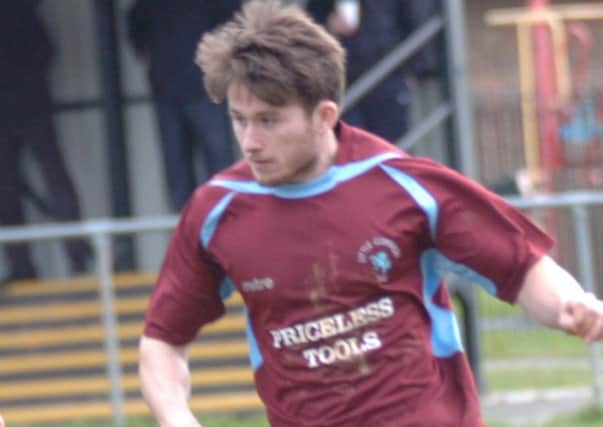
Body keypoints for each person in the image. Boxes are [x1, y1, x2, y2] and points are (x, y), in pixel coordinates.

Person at [138, 1, 603, 426]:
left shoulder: (405, 185)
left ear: (324, 116)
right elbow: (161, 342)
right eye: (240, 120)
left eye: (269, 121)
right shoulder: (217, 211)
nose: (250, 141)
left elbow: (522, 266)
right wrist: (178, 419)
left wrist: (569, 305)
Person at [0, 0, 91, 286]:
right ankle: (77, 255)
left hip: (10, 109)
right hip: (33, 103)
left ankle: (22, 265)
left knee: (8, 189)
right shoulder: (24, 14)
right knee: (53, 176)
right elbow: (47, 53)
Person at [127, 0, 241, 211]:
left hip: (198, 87)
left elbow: (238, 19)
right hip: (172, 88)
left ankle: (222, 229)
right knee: (188, 174)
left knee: (212, 172)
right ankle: (194, 233)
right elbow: (136, 25)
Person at [305, 0, 438, 142]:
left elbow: (414, 20)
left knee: (391, 148)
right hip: (345, 81)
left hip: (389, 75)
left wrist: (413, 71)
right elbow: (312, 24)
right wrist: (330, 25)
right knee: (351, 148)